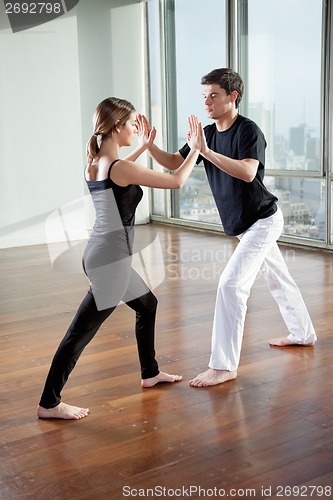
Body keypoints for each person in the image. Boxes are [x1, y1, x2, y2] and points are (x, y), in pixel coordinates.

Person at [143, 68, 317, 387]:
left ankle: (224, 365)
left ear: (232, 97)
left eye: (214, 95)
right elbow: (173, 164)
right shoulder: (206, 133)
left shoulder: (248, 131)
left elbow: (249, 173)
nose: (207, 102)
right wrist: (150, 145)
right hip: (243, 225)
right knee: (279, 279)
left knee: (231, 285)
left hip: (262, 221)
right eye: (204, 96)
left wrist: (205, 151)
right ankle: (303, 333)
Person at [37, 97, 202, 419]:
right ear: (116, 127)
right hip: (111, 265)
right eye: (129, 125)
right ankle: (49, 403)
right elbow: (177, 181)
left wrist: (143, 147)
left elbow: (119, 173)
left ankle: (150, 373)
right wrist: (196, 147)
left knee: (147, 305)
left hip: (101, 255)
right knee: (78, 335)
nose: (133, 130)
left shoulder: (95, 162)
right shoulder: (119, 167)